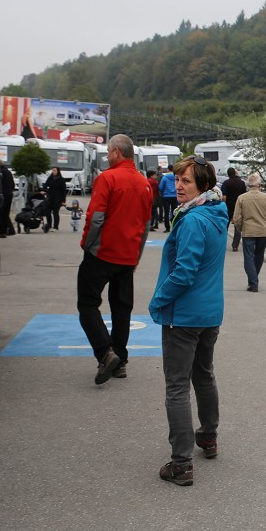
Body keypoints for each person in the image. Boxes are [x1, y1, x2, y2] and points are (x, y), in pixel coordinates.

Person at [148, 155, 227, 486]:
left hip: (186, 315)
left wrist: (158, 300)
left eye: (186, 181)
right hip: (209, 313)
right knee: (203, 375)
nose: (178, 185)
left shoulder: (194, 220)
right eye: (177, 179)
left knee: (177, 385)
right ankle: (207, 437)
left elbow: (184, 271)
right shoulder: (214, 212)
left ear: (203, 186)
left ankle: (181, 463)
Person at [77, 134, 153, 385]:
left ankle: (104, 353)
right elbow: (145, 224)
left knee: (88, 305)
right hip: (128, 256)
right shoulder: (144, 184)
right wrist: (136, 256)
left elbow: (96, 217)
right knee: (122, 309)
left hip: (102, 253)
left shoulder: (107, 178)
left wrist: (88, 244)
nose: (107, 156)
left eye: (108, 152)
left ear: (117, 153)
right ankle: (120, 360)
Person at [233, 173, 266, 292]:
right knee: (259, 255)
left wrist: (241, 228)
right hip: (263, 230)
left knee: (248, 257)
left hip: (248, 230)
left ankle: (253, 282)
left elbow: (237, 217)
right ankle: (254, 278)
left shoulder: (242, 198)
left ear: (248, 185)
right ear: (260, 184)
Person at [221, 167, 247, 252]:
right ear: (235, 173)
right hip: (238, 206)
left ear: (228, 174)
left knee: (225, 227)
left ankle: (222, 244)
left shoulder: (226, 183)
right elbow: (244, 196)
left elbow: (224, 197)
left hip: (228, 207)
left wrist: (224, 206)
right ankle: (235, 246)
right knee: (237, 227)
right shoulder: (242, 183)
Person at [0, 159, 16, 237]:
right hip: (9, 194)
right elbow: (12, 184)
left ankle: (2, 232)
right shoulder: (8, 172)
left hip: (2, 195)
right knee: (6, 213)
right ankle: (11, 230)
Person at [43, 166, 68, 231]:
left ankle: (55, 227)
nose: (53, 172)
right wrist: (43, 190)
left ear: (58, 171)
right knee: (47, 212)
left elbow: (63, 191)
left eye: (54, 171)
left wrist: (63, 201)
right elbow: (46, 184)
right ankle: (49, 225)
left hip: (58, 198)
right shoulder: (50, 178)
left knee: (55, 213)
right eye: (52, 170)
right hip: (50, 197)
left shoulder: (61, 180)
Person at [159, 167, 178, 232]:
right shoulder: (176, 177)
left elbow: (161, 187)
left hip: (166, 196)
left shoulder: (165, 177)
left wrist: (163, 193)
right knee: (174, 212)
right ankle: (174, 226)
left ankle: (167, 228)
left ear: (168, 170)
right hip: (175, 196)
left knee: (166, 212)